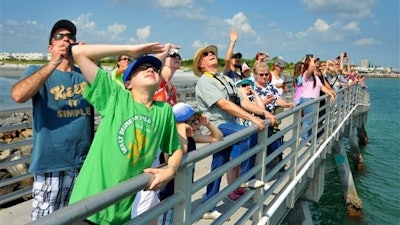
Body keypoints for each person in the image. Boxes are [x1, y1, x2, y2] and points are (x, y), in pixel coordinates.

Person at [68, 43, 183, 225]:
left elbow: (175, 148)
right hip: (88, 208)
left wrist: (170, 170)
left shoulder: (163, 111)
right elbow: (78, 52)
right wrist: (130, 50)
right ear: (128, 83)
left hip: (124, 212)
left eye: (154, 68)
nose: (150, 69)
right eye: (142, 68)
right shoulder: (116, 98)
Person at [10, 19, 94, 221]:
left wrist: (88, 59)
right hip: (52, 164)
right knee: (45, 219)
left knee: (79, 217)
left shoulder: (85, 74)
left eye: (70, 36)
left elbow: (112, 96)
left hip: (85, 162)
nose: (66, 39)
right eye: (60, 36)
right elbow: (18, 95)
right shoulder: (36, 71)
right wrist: (54, 62)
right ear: (51, 46)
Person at [193, 44, 276, 219]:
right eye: (206, 55)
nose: (211, 55)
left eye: (212, 53)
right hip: (217, 125)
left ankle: (209, 205)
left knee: (219, 165)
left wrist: (263, 112)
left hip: (228, 123)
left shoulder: (225, 79)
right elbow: (224, 104)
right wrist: (252, 118)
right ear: (201, 64)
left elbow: (242, 101)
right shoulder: (204, 81)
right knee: (249, 132)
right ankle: (246, 177)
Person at [130, 45, 182, 224]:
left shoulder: (170, 87)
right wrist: (163, 52)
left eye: (177, 55)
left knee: (157, 203)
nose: (176, 57)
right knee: (150, 203)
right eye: (171, 55)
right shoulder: (157, 84)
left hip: (165, 151)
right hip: (152, 151)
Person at [158, 102, 223, 225]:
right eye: (190, 122)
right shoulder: (170, 139)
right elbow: (181, 150)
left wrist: (208, 124)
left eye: (195, 121)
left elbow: (218, 137)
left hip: (183, 188)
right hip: (168, 194)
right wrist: (181, 128)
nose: (195, 125)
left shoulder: (192, 138)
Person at [299, 56, 335, 145]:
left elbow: (321, 87)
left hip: (313, 100)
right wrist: (311, 59)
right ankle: (304, 139)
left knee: (312, 120)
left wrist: (331, 94)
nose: (315, 64)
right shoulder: (306, 74)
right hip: (307, 99)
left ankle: (308, 138)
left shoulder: (315, 76)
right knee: (308, 120)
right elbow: (311, 67)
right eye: (314, 62)